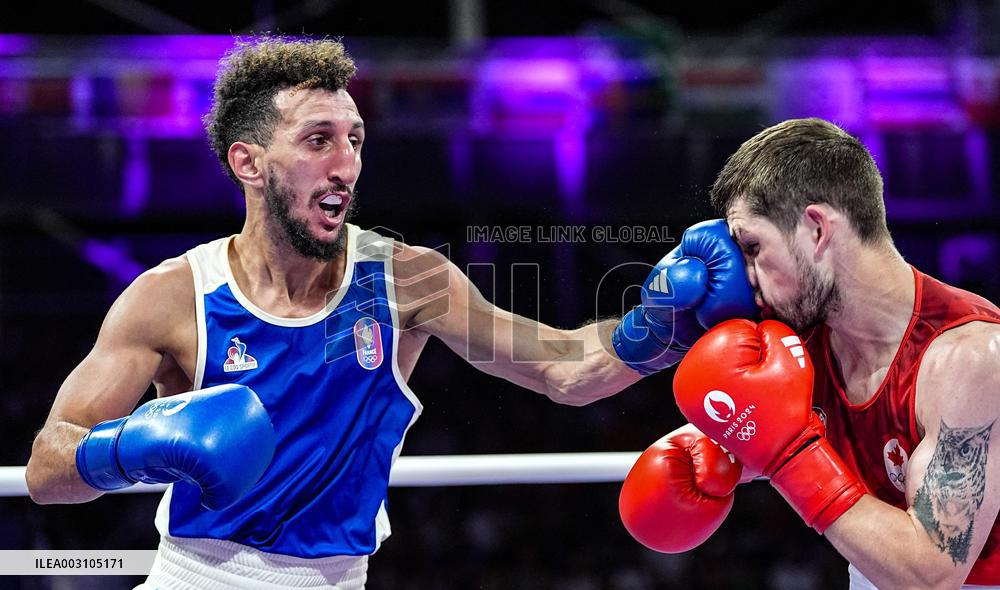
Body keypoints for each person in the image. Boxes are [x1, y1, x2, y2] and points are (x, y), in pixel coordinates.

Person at [24, 36, 757, 589]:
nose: (345, 163)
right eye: (317, 141)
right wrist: (128, 448)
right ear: (249, 163)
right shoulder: (170, 296)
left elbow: (565, 371)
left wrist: (663, 325)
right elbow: (46, 469)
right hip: (195, 575)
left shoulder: (409, 282)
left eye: (354, 140)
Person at [638, 117, 1000, 589]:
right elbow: (752, 430)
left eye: (752, 247)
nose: (744, 276)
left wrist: (791, 454)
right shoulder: (802, 346)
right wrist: (714, 448)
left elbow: (930, 575)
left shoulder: (970, 358)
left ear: (816, 230)